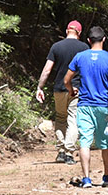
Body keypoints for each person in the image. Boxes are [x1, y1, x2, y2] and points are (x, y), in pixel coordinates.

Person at [64, 26, 108, 189]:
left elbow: (67, 79)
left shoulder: (80, 57)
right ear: (104, 39)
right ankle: (107, 175)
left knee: (85, 142)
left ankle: (86, 179)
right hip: (103, 105)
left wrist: (71, 90)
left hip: (84, 105)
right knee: (105, 143)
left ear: (88, 40)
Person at [35, 20, 89, 164]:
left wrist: (40, 87)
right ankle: (69, 153)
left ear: (67, 31)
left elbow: (47, 69)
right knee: (73, 120)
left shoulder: (56, 47)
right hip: (76, 89)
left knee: (60, 118)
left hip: (59, 88)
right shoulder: (84, 47)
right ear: (79, 32)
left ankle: (60, 151)